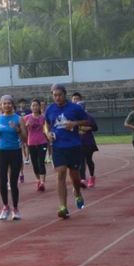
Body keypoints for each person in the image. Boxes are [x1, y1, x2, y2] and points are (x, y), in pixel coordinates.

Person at [44, 84, 88, 219]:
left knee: (75, 177)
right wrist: (47, 133)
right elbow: (46, 124)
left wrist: (74, 124)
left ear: (65, 94)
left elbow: (87, 120)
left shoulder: (75, 108)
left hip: (73, 146)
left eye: (59, 95)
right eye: (54, 95)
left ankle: (77, 193)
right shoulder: (50, 109)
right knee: (61, 173)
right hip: (58, 146)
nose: (57, 97)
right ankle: (63, 206)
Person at [0, 95, 28, 221]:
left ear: (13, 105)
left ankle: (15, 208)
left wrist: (18, 130)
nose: (7, 105)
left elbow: (25, 138)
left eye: (9, 103)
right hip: (2, 152)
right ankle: (5, 207)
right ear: (1, 106)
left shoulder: (19, 119)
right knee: (2, 182)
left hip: (15, 152)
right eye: (4, 103)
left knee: (13, 182)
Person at [24, 98, 48, 192]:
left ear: (39, 107)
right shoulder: (26, 118)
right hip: (31, 143)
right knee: (35, 164)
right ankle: (38, 179)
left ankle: (42, 182)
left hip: (42, 142)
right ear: (30, 107)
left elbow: (46, 129)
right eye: (33, 105)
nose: (35, 107)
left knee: (41, 162)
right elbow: (22, 130)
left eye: (36, 105)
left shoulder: (43, 118)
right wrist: (26, 126)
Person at [78, 102, 99, 188]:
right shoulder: (74, 118)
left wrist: (88, 128)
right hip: (78, 142)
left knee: (89, 160)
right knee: (81, 161)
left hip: (89, 142)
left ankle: (91, 176)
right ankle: (82, 179)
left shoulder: (89, 117)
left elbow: (95, 128)